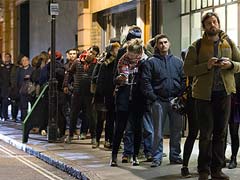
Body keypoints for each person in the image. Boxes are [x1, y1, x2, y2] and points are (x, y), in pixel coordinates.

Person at [183, 12, 240, 180]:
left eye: (214, 22)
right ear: (204, 27)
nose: (212, 25)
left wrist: (230, 64)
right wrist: (206, 66)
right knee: (206, 134)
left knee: (221, 133)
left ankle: (217, 169)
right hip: (203, 96)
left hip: (224, 93)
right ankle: (203, 170)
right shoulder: (197, 45)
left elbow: (239, 64)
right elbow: (187, 70)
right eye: (209, 23)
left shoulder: (229, 43)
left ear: (219, 23)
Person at [141, 34, 186, 167]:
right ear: (156, 46)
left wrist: (180, 95)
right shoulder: (151, 62)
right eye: (160, 43)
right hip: (158, 101)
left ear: (169, 44)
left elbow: (184, 79)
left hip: (175, 101)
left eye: (165, 42)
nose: (163, 45)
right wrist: (153, 98)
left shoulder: (178, 62)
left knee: (176, 131)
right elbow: (146, 82)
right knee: (158, 132)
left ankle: (175, 156)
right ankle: (157, 158)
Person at [110, 38, 146, 167]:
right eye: (129, 54)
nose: (131, 57)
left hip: (138, 99)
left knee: (137, 129)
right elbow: (113, 79)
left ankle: (135, 156)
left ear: (139, 53)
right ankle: (114, 156)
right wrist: (119, 79)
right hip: (123, 99)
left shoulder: (144, 62)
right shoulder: (121, 61)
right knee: (119, 128)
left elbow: (146, 79)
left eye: (134, 55)